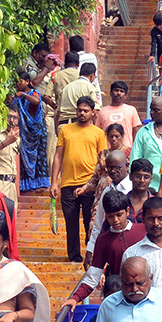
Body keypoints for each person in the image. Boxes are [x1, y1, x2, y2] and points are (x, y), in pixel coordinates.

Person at [51, 96, 109, 262]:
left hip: (90, 184)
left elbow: (102, 159)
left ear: (92, 113)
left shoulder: (98, 133)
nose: (82, 113)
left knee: (89, 223)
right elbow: (58, 156)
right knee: (71, 223)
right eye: (80, 110)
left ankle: (91, 255)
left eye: (86, 110)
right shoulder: (66, 130)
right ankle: (74, 257)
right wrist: (54, 182)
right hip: (68, 183)